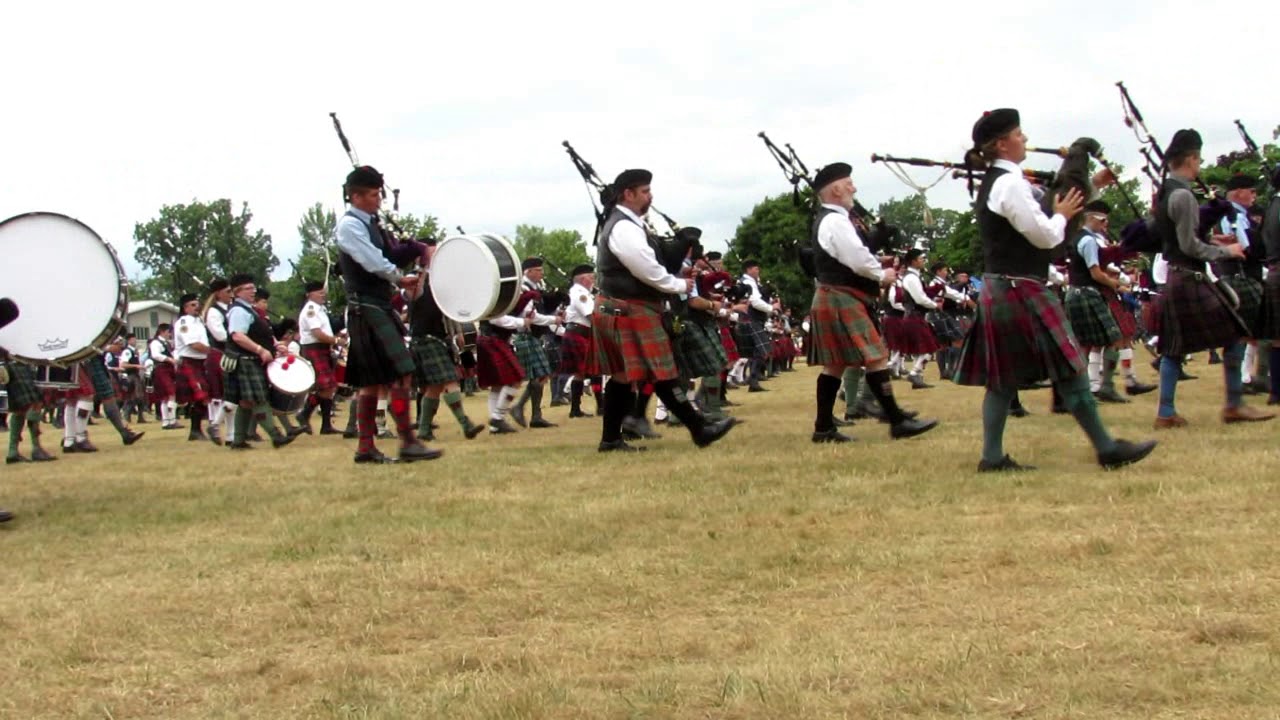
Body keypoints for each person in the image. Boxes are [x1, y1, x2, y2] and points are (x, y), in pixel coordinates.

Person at [954, 108, 1155, 470]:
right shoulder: (1009, 183)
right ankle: (1106, 449)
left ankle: (992, 457)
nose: (1025, 139)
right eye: (1018, 134)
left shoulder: (997, 181)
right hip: (1021, 289)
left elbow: (1043, 206)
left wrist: (1086, 185)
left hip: (1005, 287)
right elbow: (1045, 235)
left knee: (1002, 381)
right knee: (1070, 369)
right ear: (1001, 144)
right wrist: (1062, 215)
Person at [591, 168, 736, 452]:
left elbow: (652, 261)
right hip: (628, 308)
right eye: (644, 191)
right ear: (627, 194)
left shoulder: (631, 224)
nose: (650, 196)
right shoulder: (623, 227)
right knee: (661, 372)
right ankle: (699, 429)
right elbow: (647, 270)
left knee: (623, 376)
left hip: (625, 307)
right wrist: (680, 285)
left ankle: (611, 439)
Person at [805, 161, 937, 443]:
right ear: (837, 189)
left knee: (836, 365)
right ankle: (896, 420)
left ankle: (824, 427)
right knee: (876, 357)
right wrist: (882, 273)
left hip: (836, 296)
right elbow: (857, 259)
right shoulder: (835, 220)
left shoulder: (833, 218)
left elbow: (855, 256)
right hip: (840, 298)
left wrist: (877, 261)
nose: (854, 187)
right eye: (849, 183)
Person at [1150, 130, 1274, 427]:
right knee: (1235, 333)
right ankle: (1233, 405)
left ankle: (1166, 413)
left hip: (1176, 276)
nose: (1200, 165)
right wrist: (1227, 251)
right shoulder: (1183, 196)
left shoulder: (1165, 192)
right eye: (1199, 159)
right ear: (1191, 159)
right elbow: (1189, 246)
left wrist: (1212, 239)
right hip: (1189, 276)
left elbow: (1179, 239)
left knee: (1173, 348)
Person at [335, 165, 441, 463]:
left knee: (372, 381)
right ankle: (407, 440)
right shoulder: (350, 226)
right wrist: (397, 277)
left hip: (377, 305)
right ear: (355, 196)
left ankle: (366, 448)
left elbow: (389, 253)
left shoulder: (372, 224)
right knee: (401, 372)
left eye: (378, 194)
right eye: (371, 195)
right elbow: (372, 260)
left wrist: (415, 248)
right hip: (366, 305)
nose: (377, 200)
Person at [407, 255, 484, 441]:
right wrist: (422, 274)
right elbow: (409, 295)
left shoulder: (441, 281)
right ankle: (466, 424)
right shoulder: (414, 279)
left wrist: (457, 333)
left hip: (439, 338)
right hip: (425, 338)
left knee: (435, 387)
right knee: (450, 380)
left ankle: (424, 430)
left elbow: (450, 310)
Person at [221, 274, 298, 450]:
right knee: (258, 399)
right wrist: (260, 350)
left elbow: (260, 334)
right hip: (244, 361)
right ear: (237, 292)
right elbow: (238, 336)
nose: (253, 291)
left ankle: (238, 441)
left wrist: (276, 345)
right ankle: (276, 436)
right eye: (248, 288)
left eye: (253, 288)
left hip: (251, 361)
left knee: (246, 402)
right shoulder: (239, 311)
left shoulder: (250, 310)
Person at [507, 258, 561, 429]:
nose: (542, 273)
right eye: (538, 270)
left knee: (542, 375)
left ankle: (533, 414)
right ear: (528, 271)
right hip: (525, 334)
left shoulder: (536, 287)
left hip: (533, 335)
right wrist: (554, 319)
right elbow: (530, 316)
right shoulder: (523, 288)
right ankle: (522, 409)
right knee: (538, 375)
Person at [295, 280, 343, 435]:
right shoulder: (311, 310)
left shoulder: (320, 309)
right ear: (309, 294)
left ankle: (326, 425)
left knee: (329, 387)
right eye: (319, 292)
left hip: (322, 349)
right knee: (325, 386)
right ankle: (304, 414)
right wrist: (336, 340)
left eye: (323, 291)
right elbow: (317, 334)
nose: (323, 294)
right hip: (313, 349)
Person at [558, 263, 601, 418]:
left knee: (582, 373)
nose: (593, 279)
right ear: (583, 279)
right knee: (589, 371)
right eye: (591, 277)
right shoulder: (579, 293)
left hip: (582, 333)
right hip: (579, 333)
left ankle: (576, 409)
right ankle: (597, 407)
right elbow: (591, 314)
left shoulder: (584, 292)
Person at [896, 248, 942, 389]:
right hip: (914, 316)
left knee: (923, 349)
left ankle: (917, 376)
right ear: (913, 261)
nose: (923, 260)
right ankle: (915, 373)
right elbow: (920, 298)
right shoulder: (911, 278)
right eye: (921, 258)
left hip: (915, 316)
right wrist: (935, 305)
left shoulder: (914, 276)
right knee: (930, 347)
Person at [174, 293, 214, 442]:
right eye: (193, 305)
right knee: (200, 396)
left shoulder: (198, 321)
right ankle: (195, 430)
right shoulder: (184, 322)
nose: (196, 307)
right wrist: (214, 352)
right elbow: (193, 344)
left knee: (203, 397)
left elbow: (208, 307)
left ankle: (195, 431)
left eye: (197, 304)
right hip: (189, 362)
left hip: (200, 362)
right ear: (185, 308)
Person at [202, 278, 234, 444]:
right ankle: (215, 425)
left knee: (231, 395)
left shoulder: (230, 309)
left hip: (229, 353)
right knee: (229, 394)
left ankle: (229, 435)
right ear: (218, 294)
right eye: (228, 292)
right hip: (219, 355)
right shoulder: (214, 312)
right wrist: (239, 338)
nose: (231, 295)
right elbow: (220, 335)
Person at [736, 260, 774, 392]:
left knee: (756, 352)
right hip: (751, 319)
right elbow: (754, 301)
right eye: (756, 269)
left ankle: (753, 379)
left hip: (752, 319)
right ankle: (752, 379)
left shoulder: (753, 282)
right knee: (760, 351)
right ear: (749, 270)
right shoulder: (748, 282)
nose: (758, 272)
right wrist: (771, 308)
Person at [148, 324, 181, 430]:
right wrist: (169, 359)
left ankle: (166, 422)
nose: (170, 334)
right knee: (171, 393)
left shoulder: (167, 343)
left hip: (168, 369)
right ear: (162, 331)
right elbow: (155, 355)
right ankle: (171, 420)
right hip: (161, 369)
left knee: (166, 397)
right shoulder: (155, 342)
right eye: (168, 332)